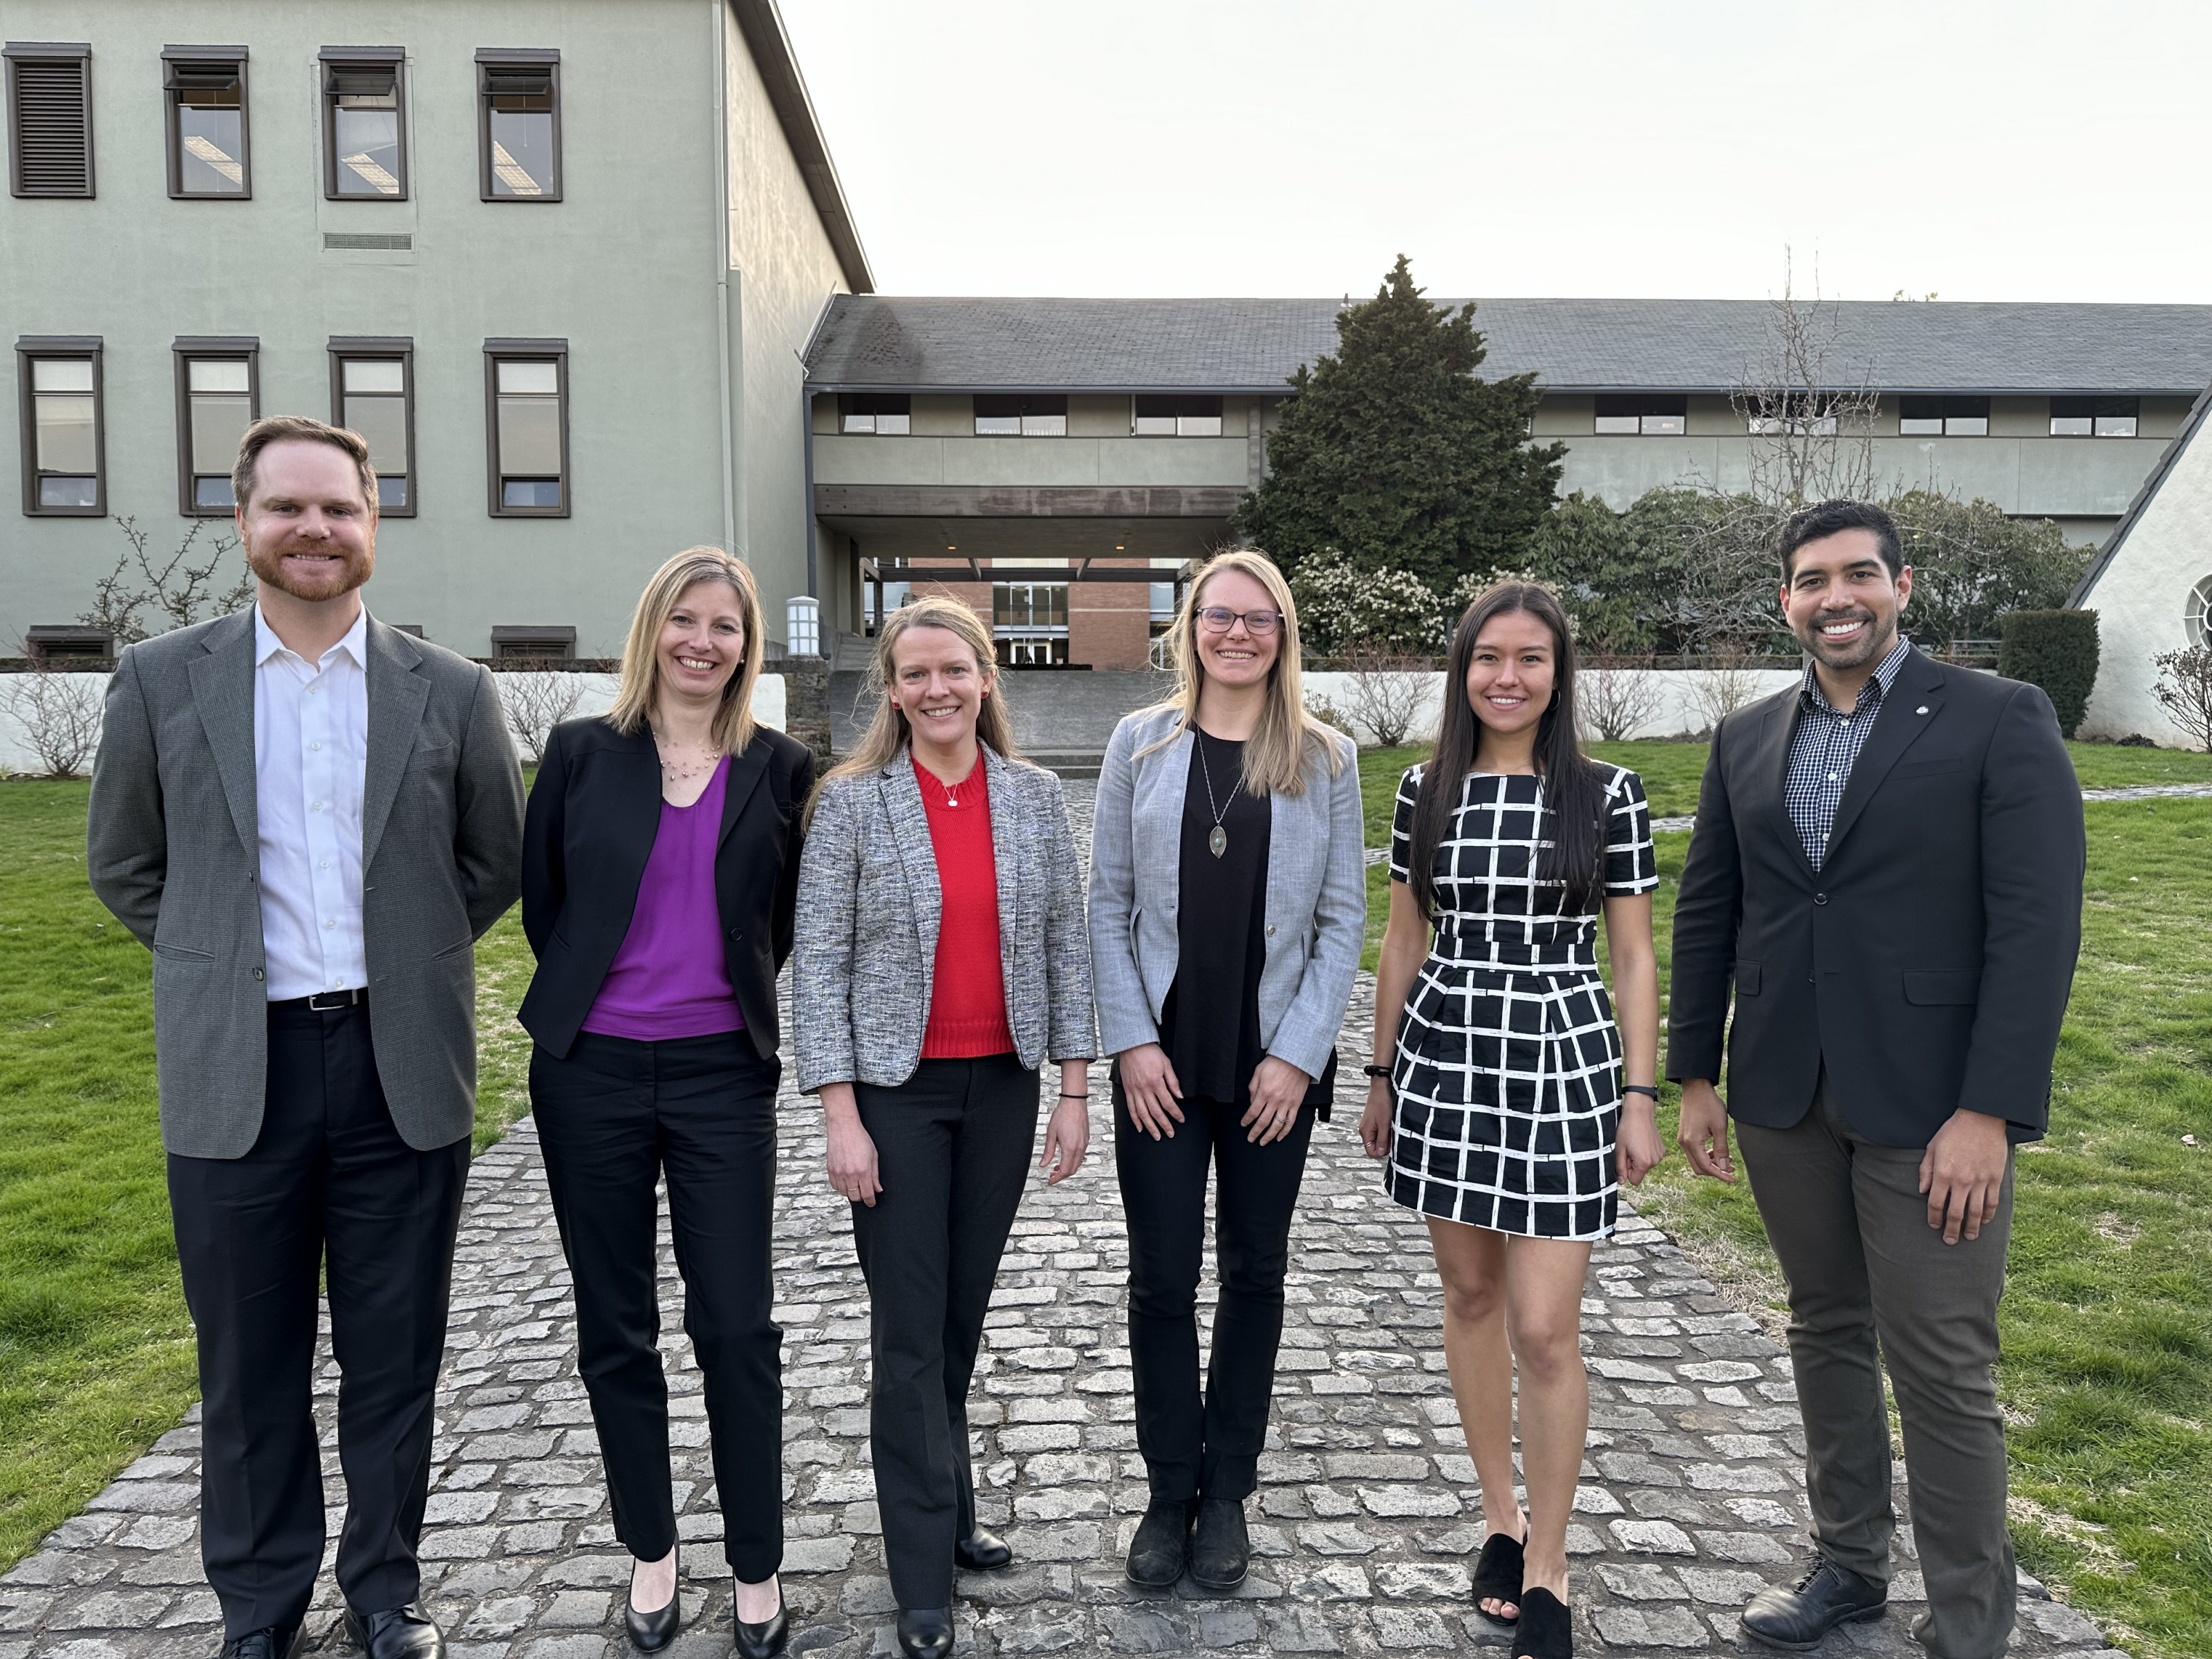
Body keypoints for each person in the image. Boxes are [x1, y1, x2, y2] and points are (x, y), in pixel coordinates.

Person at [86, 416, 525, 1659]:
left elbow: (488, 862)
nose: (315, 530)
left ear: (372, 523)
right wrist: (224, 959)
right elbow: (124, 864)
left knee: (395, 1358)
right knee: (248, 1363)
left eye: (339, 508)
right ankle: (260, 1607)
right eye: (288, 508)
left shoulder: (450, 689)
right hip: (240, 1069)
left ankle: (386, 1589)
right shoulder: (164, 680)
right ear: (244, 522)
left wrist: (406, 954)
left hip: (399, 1069)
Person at [1668, 500, 2084, 1659]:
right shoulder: (1747, 736)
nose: (1835, 597)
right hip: (1784, 1094)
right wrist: (1694, 1073)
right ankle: (1848, 1566)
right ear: (1786, 602)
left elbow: (2036, 923)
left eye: (1859, 575)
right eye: (1812, 581)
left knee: (1944, 1365)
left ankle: (1967, 1625)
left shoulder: (1999, 718)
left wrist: (1990, 1110)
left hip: (1935, 1105)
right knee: (1824, 1326)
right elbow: (1711, 911)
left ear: (1904, 586)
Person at [1358, 580, 1663, 1659]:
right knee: (1471, 1294)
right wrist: (1382, 1071)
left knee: (1545, 1326)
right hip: (1444, 1053)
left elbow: (1631, 953)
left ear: (1558, 673)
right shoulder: (1421, 789)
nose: (1507, 677)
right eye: (1489, 657)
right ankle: (1500, 1519)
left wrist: (1641, 1092)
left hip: (1561, 1059)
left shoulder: (1605, 792)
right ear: (1462, 668)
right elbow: (1401, 941)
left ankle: (1551, 1561)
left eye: (1531, 658)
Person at [518, 547, 813, 1656]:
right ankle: (652, 1552)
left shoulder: (782, 769)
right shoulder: (582, 754)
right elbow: (550, 907)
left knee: (736, 1325)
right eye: (685, 621)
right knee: (617, 1327)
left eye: (724, 627)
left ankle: (757, 1564)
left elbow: (779, 924)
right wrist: (610, 1000)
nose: (703, 641)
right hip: (588, 1073)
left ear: (747, 647)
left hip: (718, 1077)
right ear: (654, 630)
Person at [792, 596, 1096, 1659]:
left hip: (1003, 1092)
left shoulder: (1034, 796)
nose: (936, 691)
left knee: (958, 1317)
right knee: (910, 1332)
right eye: (914, 674)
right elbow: (817, 966)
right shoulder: (852, 804)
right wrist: (839, 1115)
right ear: (892, 687)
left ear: (986, 678)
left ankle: (952, 1507)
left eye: (953, 671)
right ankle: (921, 1571)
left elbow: (1066, 945)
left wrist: (1072, 1087)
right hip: (895, 1097)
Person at [1088, 550, 1364, 1591]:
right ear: (1189, 625)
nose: (1237, 633)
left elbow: (1342, 922)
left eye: (1259, 618)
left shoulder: (1325, 757)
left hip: (1268, 1076)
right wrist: (1131, 1041)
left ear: (1283, 633)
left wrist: (1298, 1057)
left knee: (1254, 1275)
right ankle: (1169, 1491)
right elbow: (1106, 903)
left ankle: (1229, 1496)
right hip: (1160, 1061)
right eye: (1219, 615)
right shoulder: (1138, 744)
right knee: (1161, 1282)